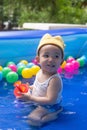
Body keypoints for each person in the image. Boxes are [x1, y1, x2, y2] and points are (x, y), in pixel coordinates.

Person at [17, 33, 65, 126]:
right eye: (46, 56)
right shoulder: (40, 71)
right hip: (37, 101)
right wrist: (29, 88)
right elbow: (39, 86)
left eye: (56, 56)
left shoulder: (54, 80)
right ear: (38, 59)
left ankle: (54, 115)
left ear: (61, 62)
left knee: (33, 120)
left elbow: (50, 100)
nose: (51, 59)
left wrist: (30, 98)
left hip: (49, 106)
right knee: (20, 98)